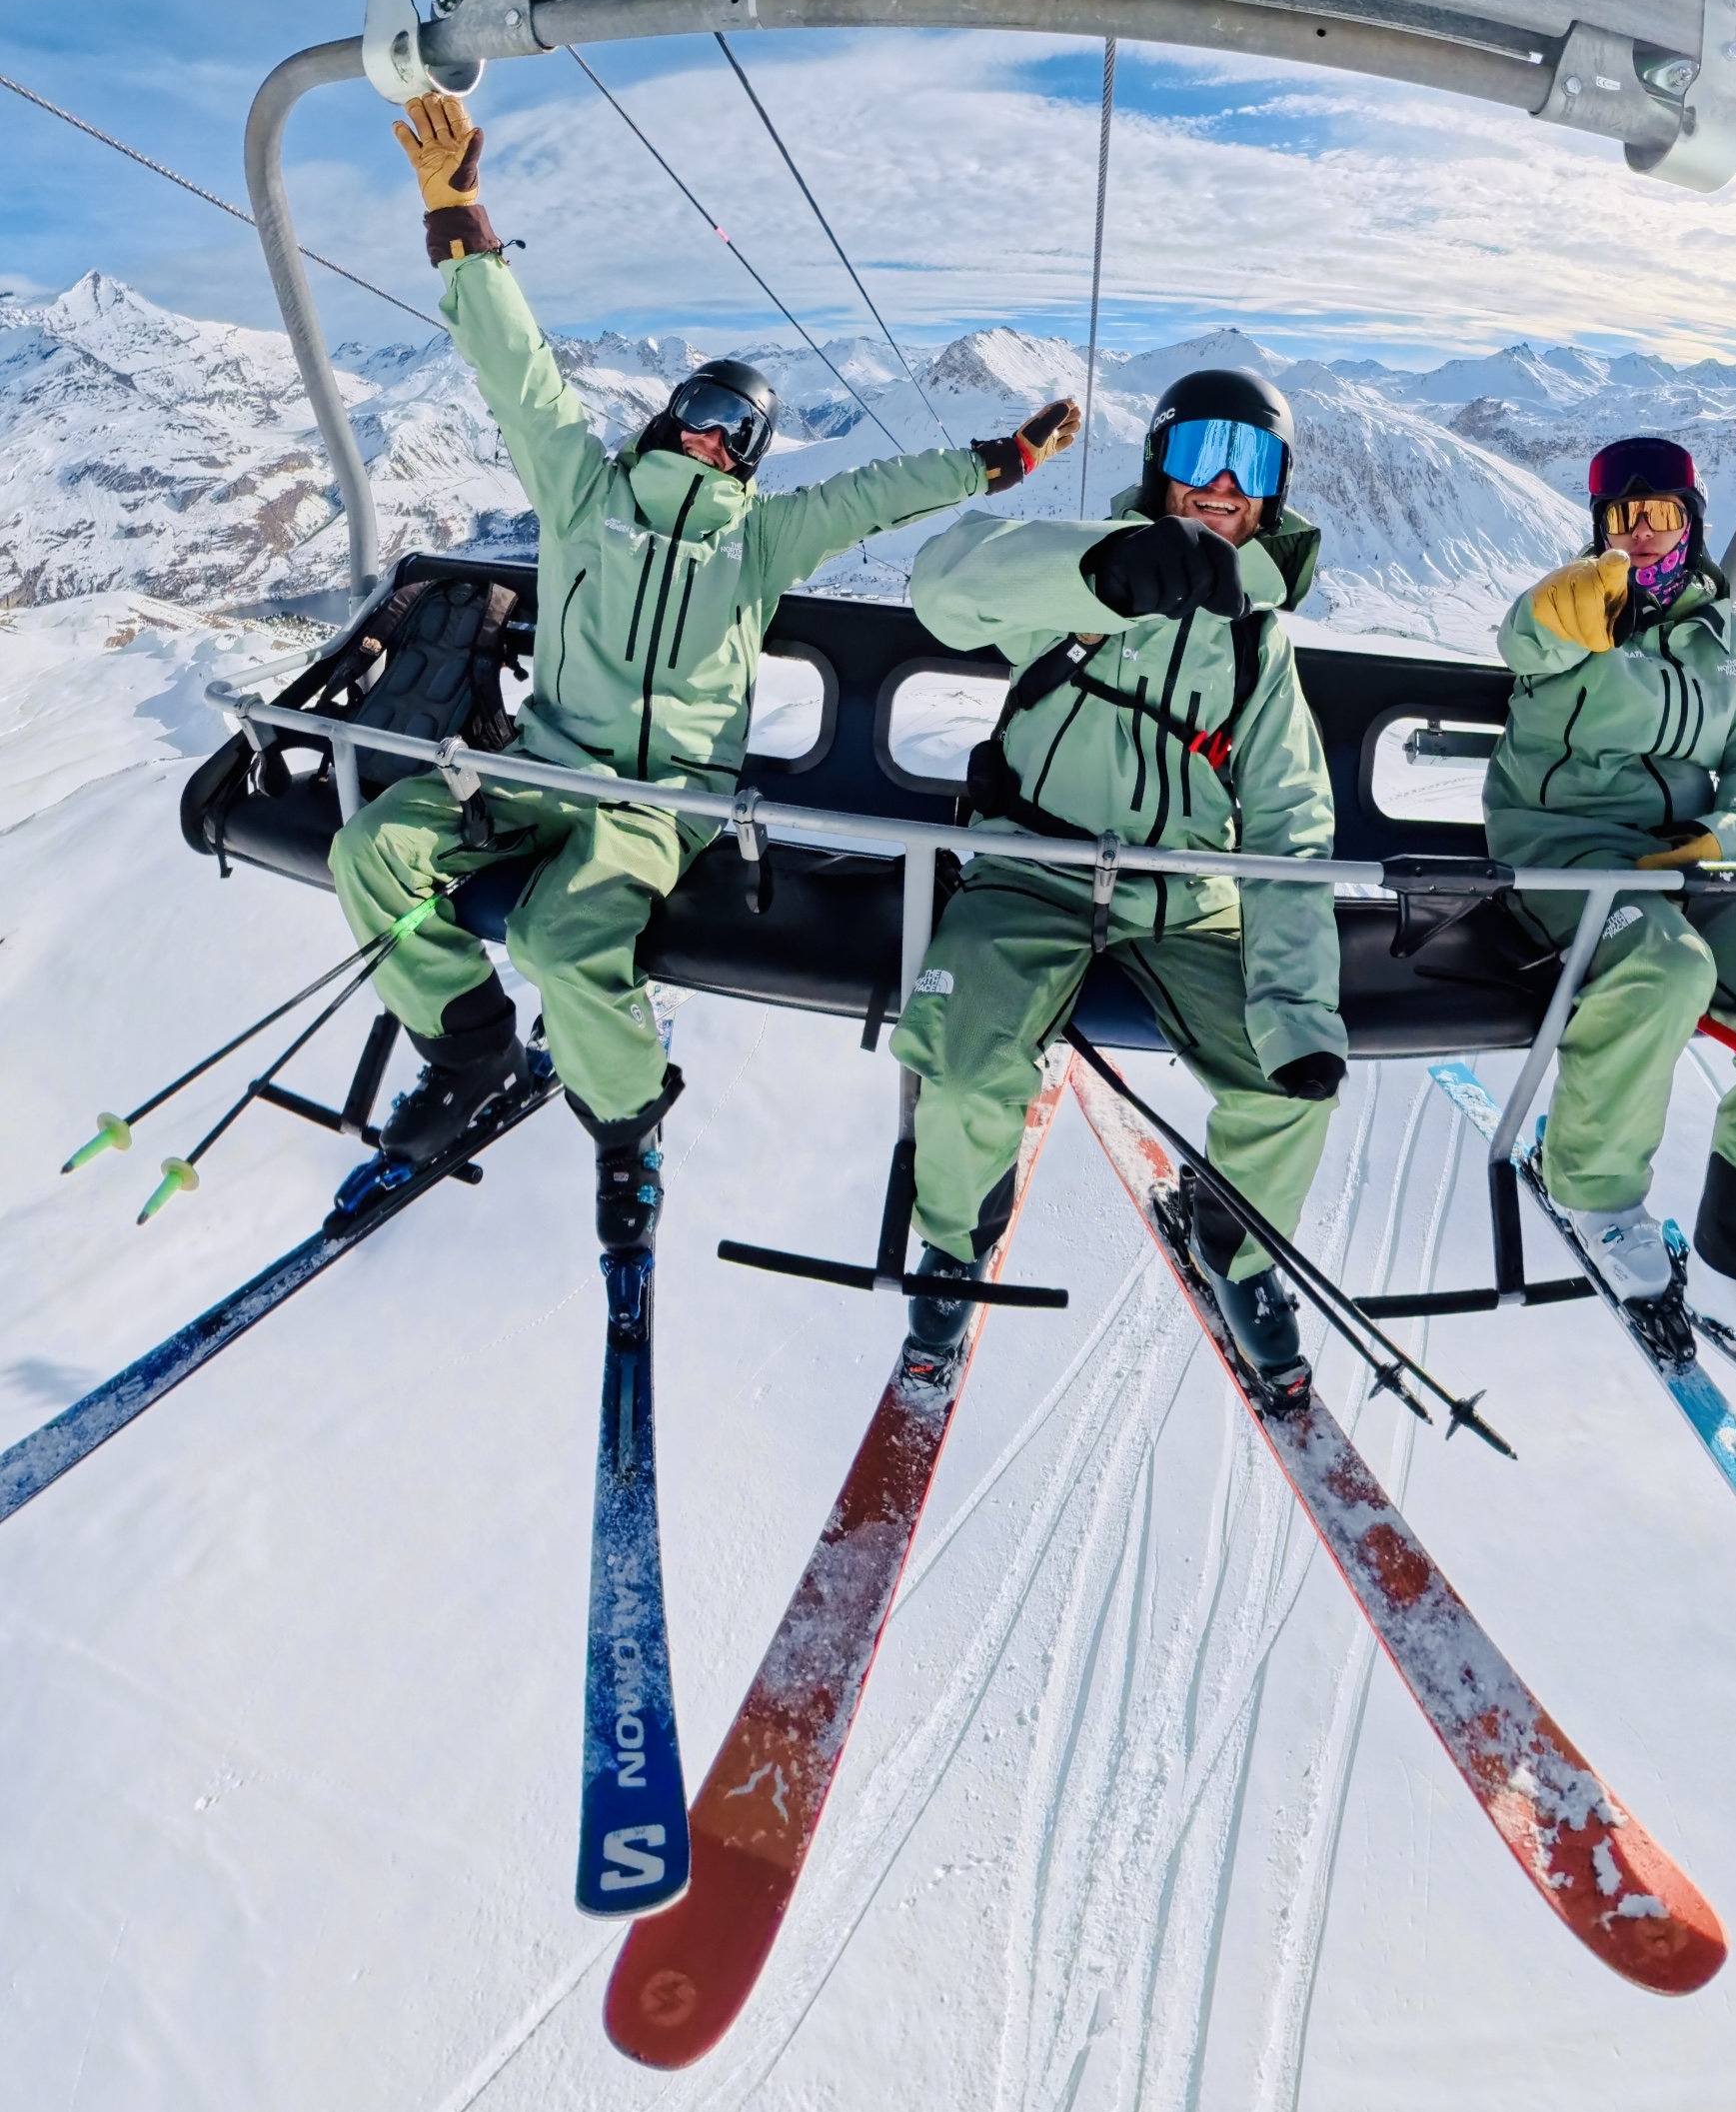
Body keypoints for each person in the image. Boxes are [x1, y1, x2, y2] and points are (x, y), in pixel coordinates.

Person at [328, 89, 1077, 1256]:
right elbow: (518, 374)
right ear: (669, 414)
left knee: (563, 940)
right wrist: (459, 222)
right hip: (539, 768)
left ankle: (628, 1129)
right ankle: (468, 1048)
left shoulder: (760, 540)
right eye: (701, 408)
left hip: (659, 806)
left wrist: (999, 460)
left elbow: (872, 495)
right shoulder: (584, 492)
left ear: (755, 456)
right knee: (371, 853)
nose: (712, 434)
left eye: (740, 427)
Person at [892, 362, 1347, 1401]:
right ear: (1157, 465)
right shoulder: (1078, 575)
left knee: (1289, 1083)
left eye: (1251, 463)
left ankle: (1232, 1245)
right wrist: (1099, 575)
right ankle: (957, 1240)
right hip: (1031, 873)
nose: (1222, 483)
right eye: (1199, 453)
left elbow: (1290, 825)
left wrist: (1297, 1009)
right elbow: (941, 588)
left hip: (1184, 900)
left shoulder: (1257, 645)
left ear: (1275, 492)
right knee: (961, 1067)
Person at [1484, 432, 1736, 1420]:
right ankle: (1590, 1187)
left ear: (1691, 523)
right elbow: (1524, 640)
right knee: (1663, 965)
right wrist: (1562, 608)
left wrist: (1724, 836)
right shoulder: (1581, 605)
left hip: (1686, 860)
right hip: (1564, 852)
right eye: (1624, 516)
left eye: (1661, 515)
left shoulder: (1724, 639)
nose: (1643, 533)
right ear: (1599, 526)